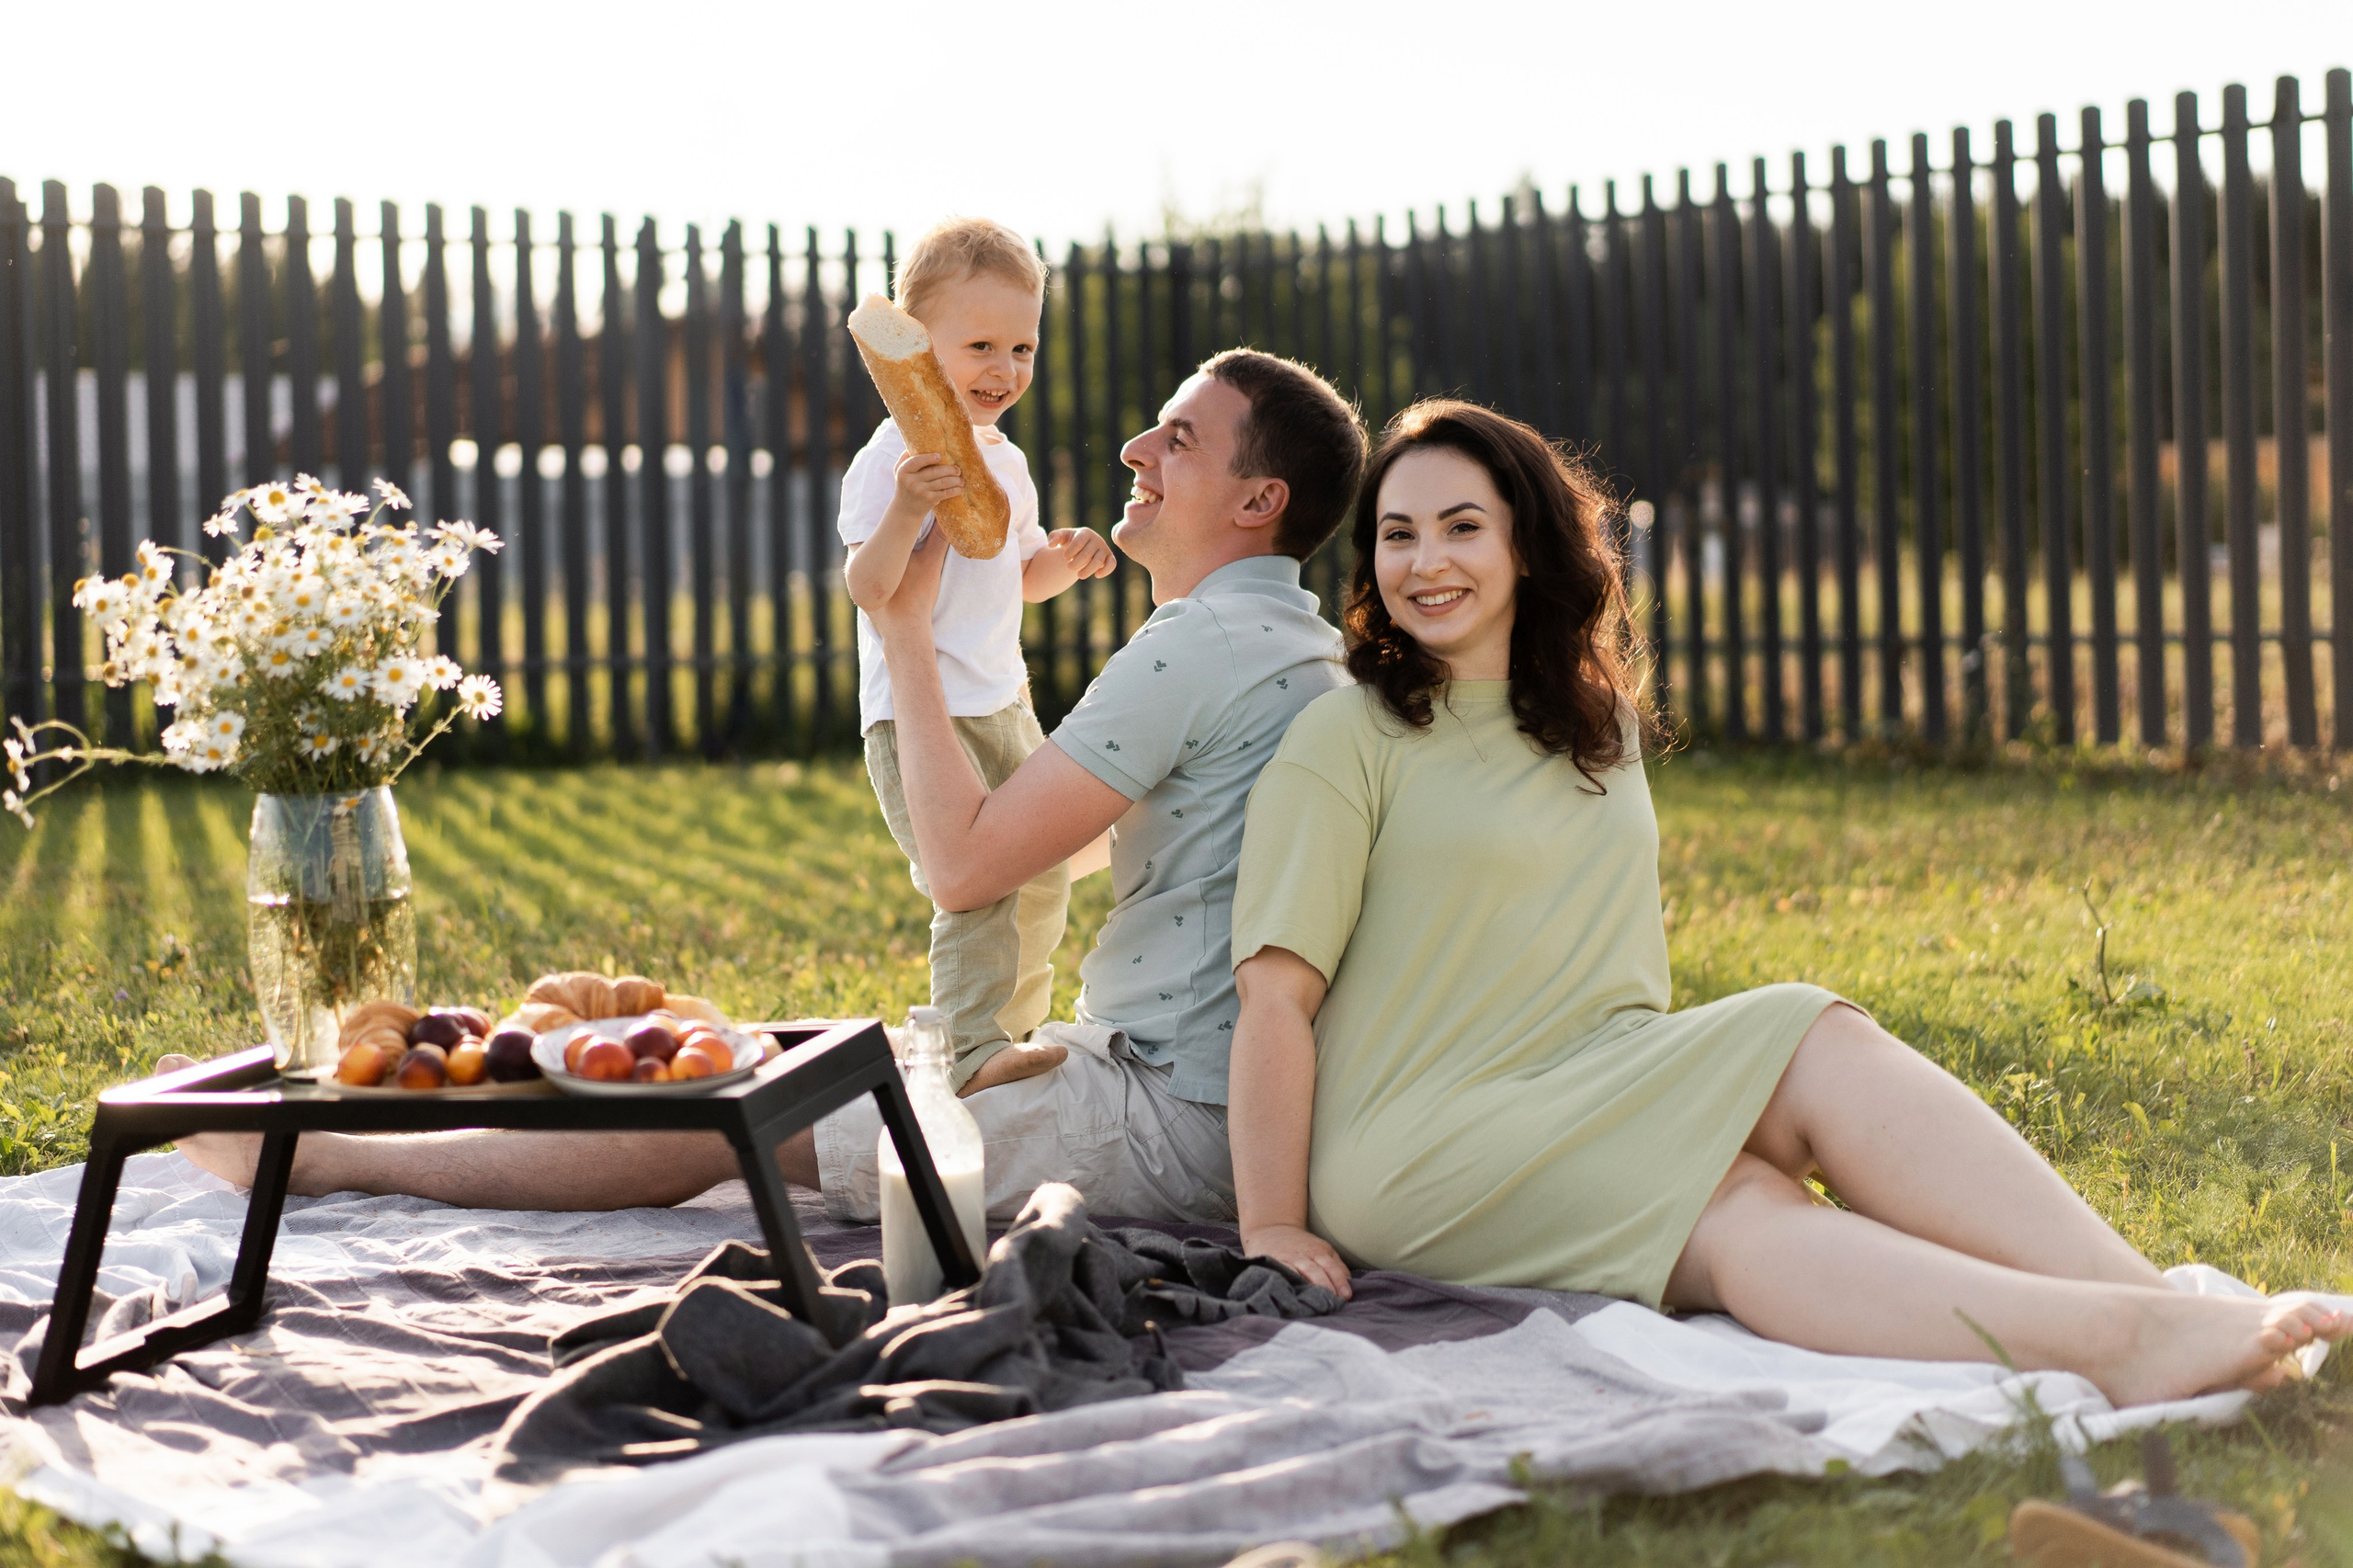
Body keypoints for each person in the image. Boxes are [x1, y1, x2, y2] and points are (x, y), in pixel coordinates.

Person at [1224, 397, 2348, 1407]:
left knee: (1809, 1028)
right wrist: (1272, 1222)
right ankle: (2123, 1341)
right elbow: (1275, 996)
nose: (1427, 560)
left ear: (1524, 539)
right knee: (1729, 1207)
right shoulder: (1345, 735)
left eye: (1461, 525)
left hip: (1588, 1068)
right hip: (1422, 1141)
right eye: (1398, 532)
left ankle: (2159, 1305)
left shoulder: (1592, 726)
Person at [167, 350, 1368, 1231]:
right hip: (1198, 1100)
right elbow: (1127, 849)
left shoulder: (1195, 645)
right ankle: (470, 1091)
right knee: (755, 1056)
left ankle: (326, 1160)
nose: (1135, 452)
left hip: (1168, 1123)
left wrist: (903, 630)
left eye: (1180, 440)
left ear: (1261, 502)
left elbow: (961, 865)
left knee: (729, 1115)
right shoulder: (1294, 648)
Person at [836, 217, 1115, 1095]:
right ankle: (961, 1052)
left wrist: (1059, 562)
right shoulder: (891, 458)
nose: (1004, 370)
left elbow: (1017, 576)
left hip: (1003, 703)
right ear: (917, 346)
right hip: (919, 717)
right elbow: (870, 587)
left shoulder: (1007, 459)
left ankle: (1011, 1031)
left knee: (1042, 883)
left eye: (1023, 347)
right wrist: (904, 512)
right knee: (979, 887)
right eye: (981, 345)